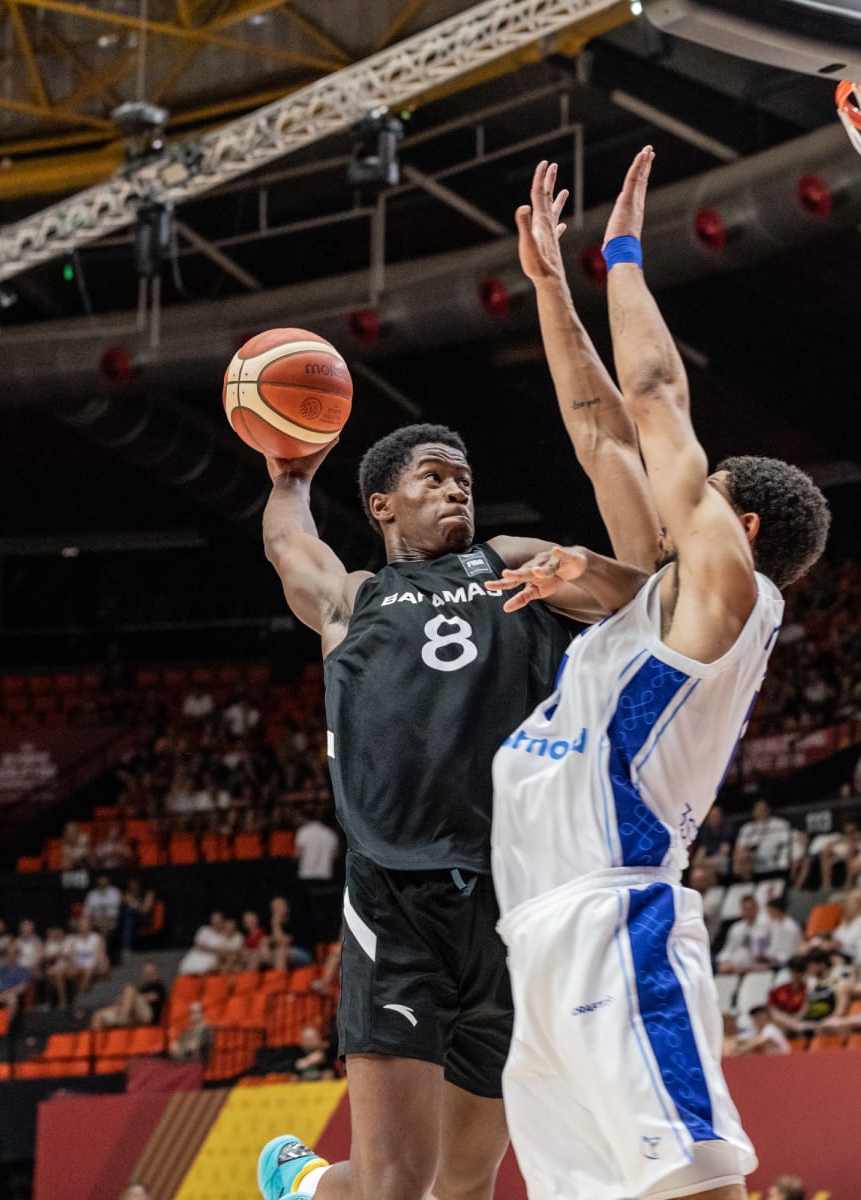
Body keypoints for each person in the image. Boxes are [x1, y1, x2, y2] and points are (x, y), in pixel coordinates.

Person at [319, 148, 823, 1200]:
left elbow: (649, 393)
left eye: (706, 487)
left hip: (612, 920)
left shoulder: (723, 594)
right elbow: (602, 430)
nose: (685, 483)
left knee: (695, 1187)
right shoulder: (651, 594)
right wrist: (551, 288)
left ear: (744, 527)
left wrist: (624, 255)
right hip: (532, 940)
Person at [252, 172, 635, 1200]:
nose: (453, 487)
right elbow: (292, 548)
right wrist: (289, 470)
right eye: (431, 477)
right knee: (395, 1191)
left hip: (520, 898)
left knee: (462, 1190)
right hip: (398, 898)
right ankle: (307, 1185)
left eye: (461, 476)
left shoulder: (515, 558)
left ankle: (306, 1188)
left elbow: (643, 599)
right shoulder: (354, 598)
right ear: (381, 505)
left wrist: (586, 574)